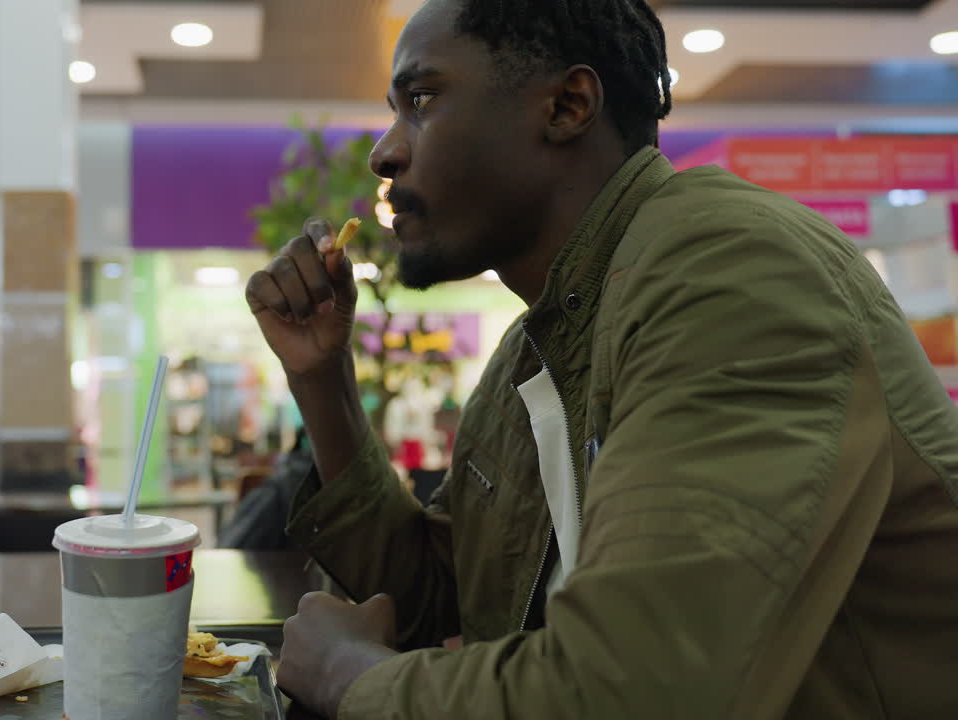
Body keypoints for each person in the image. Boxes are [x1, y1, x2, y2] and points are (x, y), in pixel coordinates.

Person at [243, 1, 958, 718]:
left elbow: (638, 689)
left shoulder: (730, 271)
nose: (385, 152)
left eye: (422, 99)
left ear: (567, 105)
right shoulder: (536, 348)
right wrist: (321, 379)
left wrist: (346, 675)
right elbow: (440, 598)